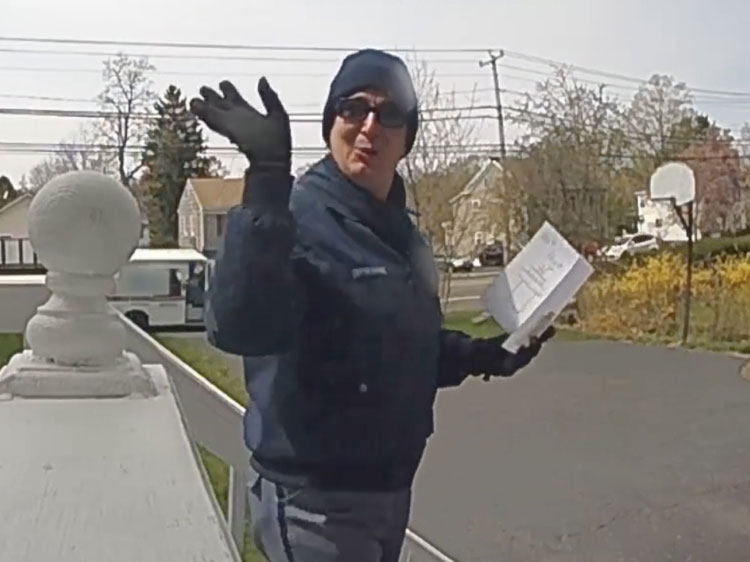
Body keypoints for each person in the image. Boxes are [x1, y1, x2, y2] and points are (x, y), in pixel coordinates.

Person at [190, 48, 554, 562]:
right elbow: (241, 326)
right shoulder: (295, 215)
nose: (369, 127)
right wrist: (267, 175)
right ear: (330, 121)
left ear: (407, 135)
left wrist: (482, 356)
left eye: (389, 114)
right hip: (314, 500)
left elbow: (390, 344)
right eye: (353, 108)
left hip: (388, 490)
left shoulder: (404, 234)